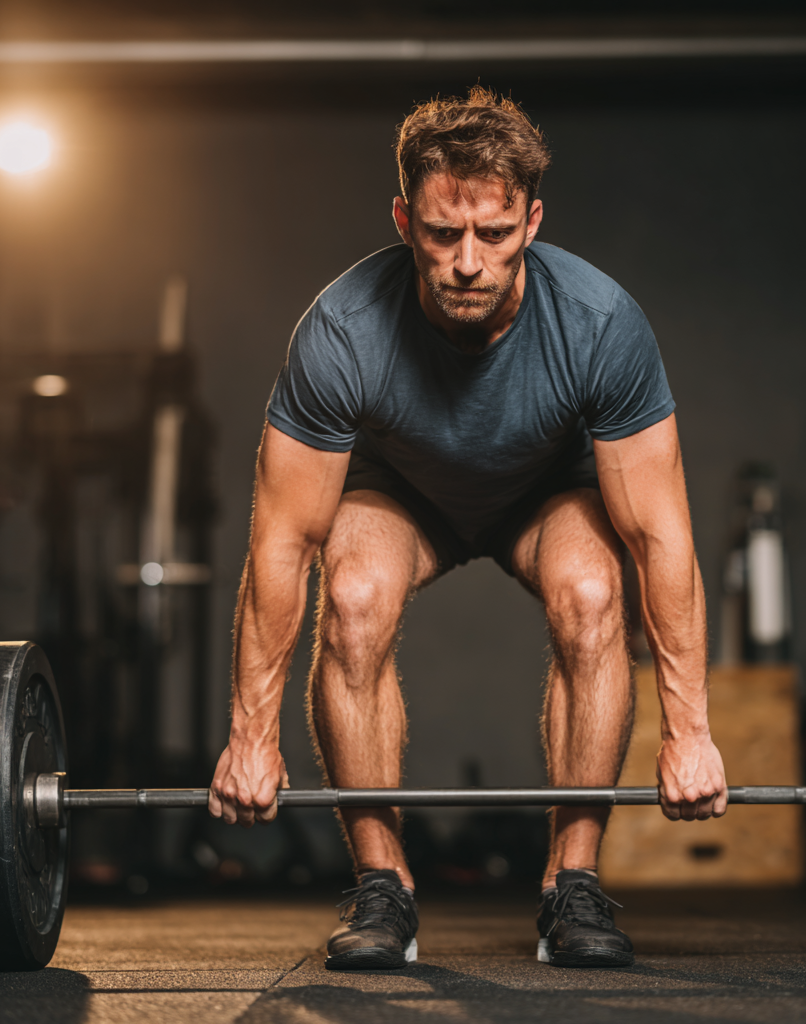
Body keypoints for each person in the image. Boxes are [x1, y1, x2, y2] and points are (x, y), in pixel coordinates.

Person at [209, 86, 728, 971]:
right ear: (406, 219)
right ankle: (383, 887)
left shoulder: (601, 324)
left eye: (493, 234)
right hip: (405, 494)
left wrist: (691, 730)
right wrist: (251, 734)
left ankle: (572, 885)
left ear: (532, 219)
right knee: (357, 595)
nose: (467, 262)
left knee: (595, 592)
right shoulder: (343, 330)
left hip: (545, 495)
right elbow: (282, 542)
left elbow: (659, 539)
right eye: (445, 234)